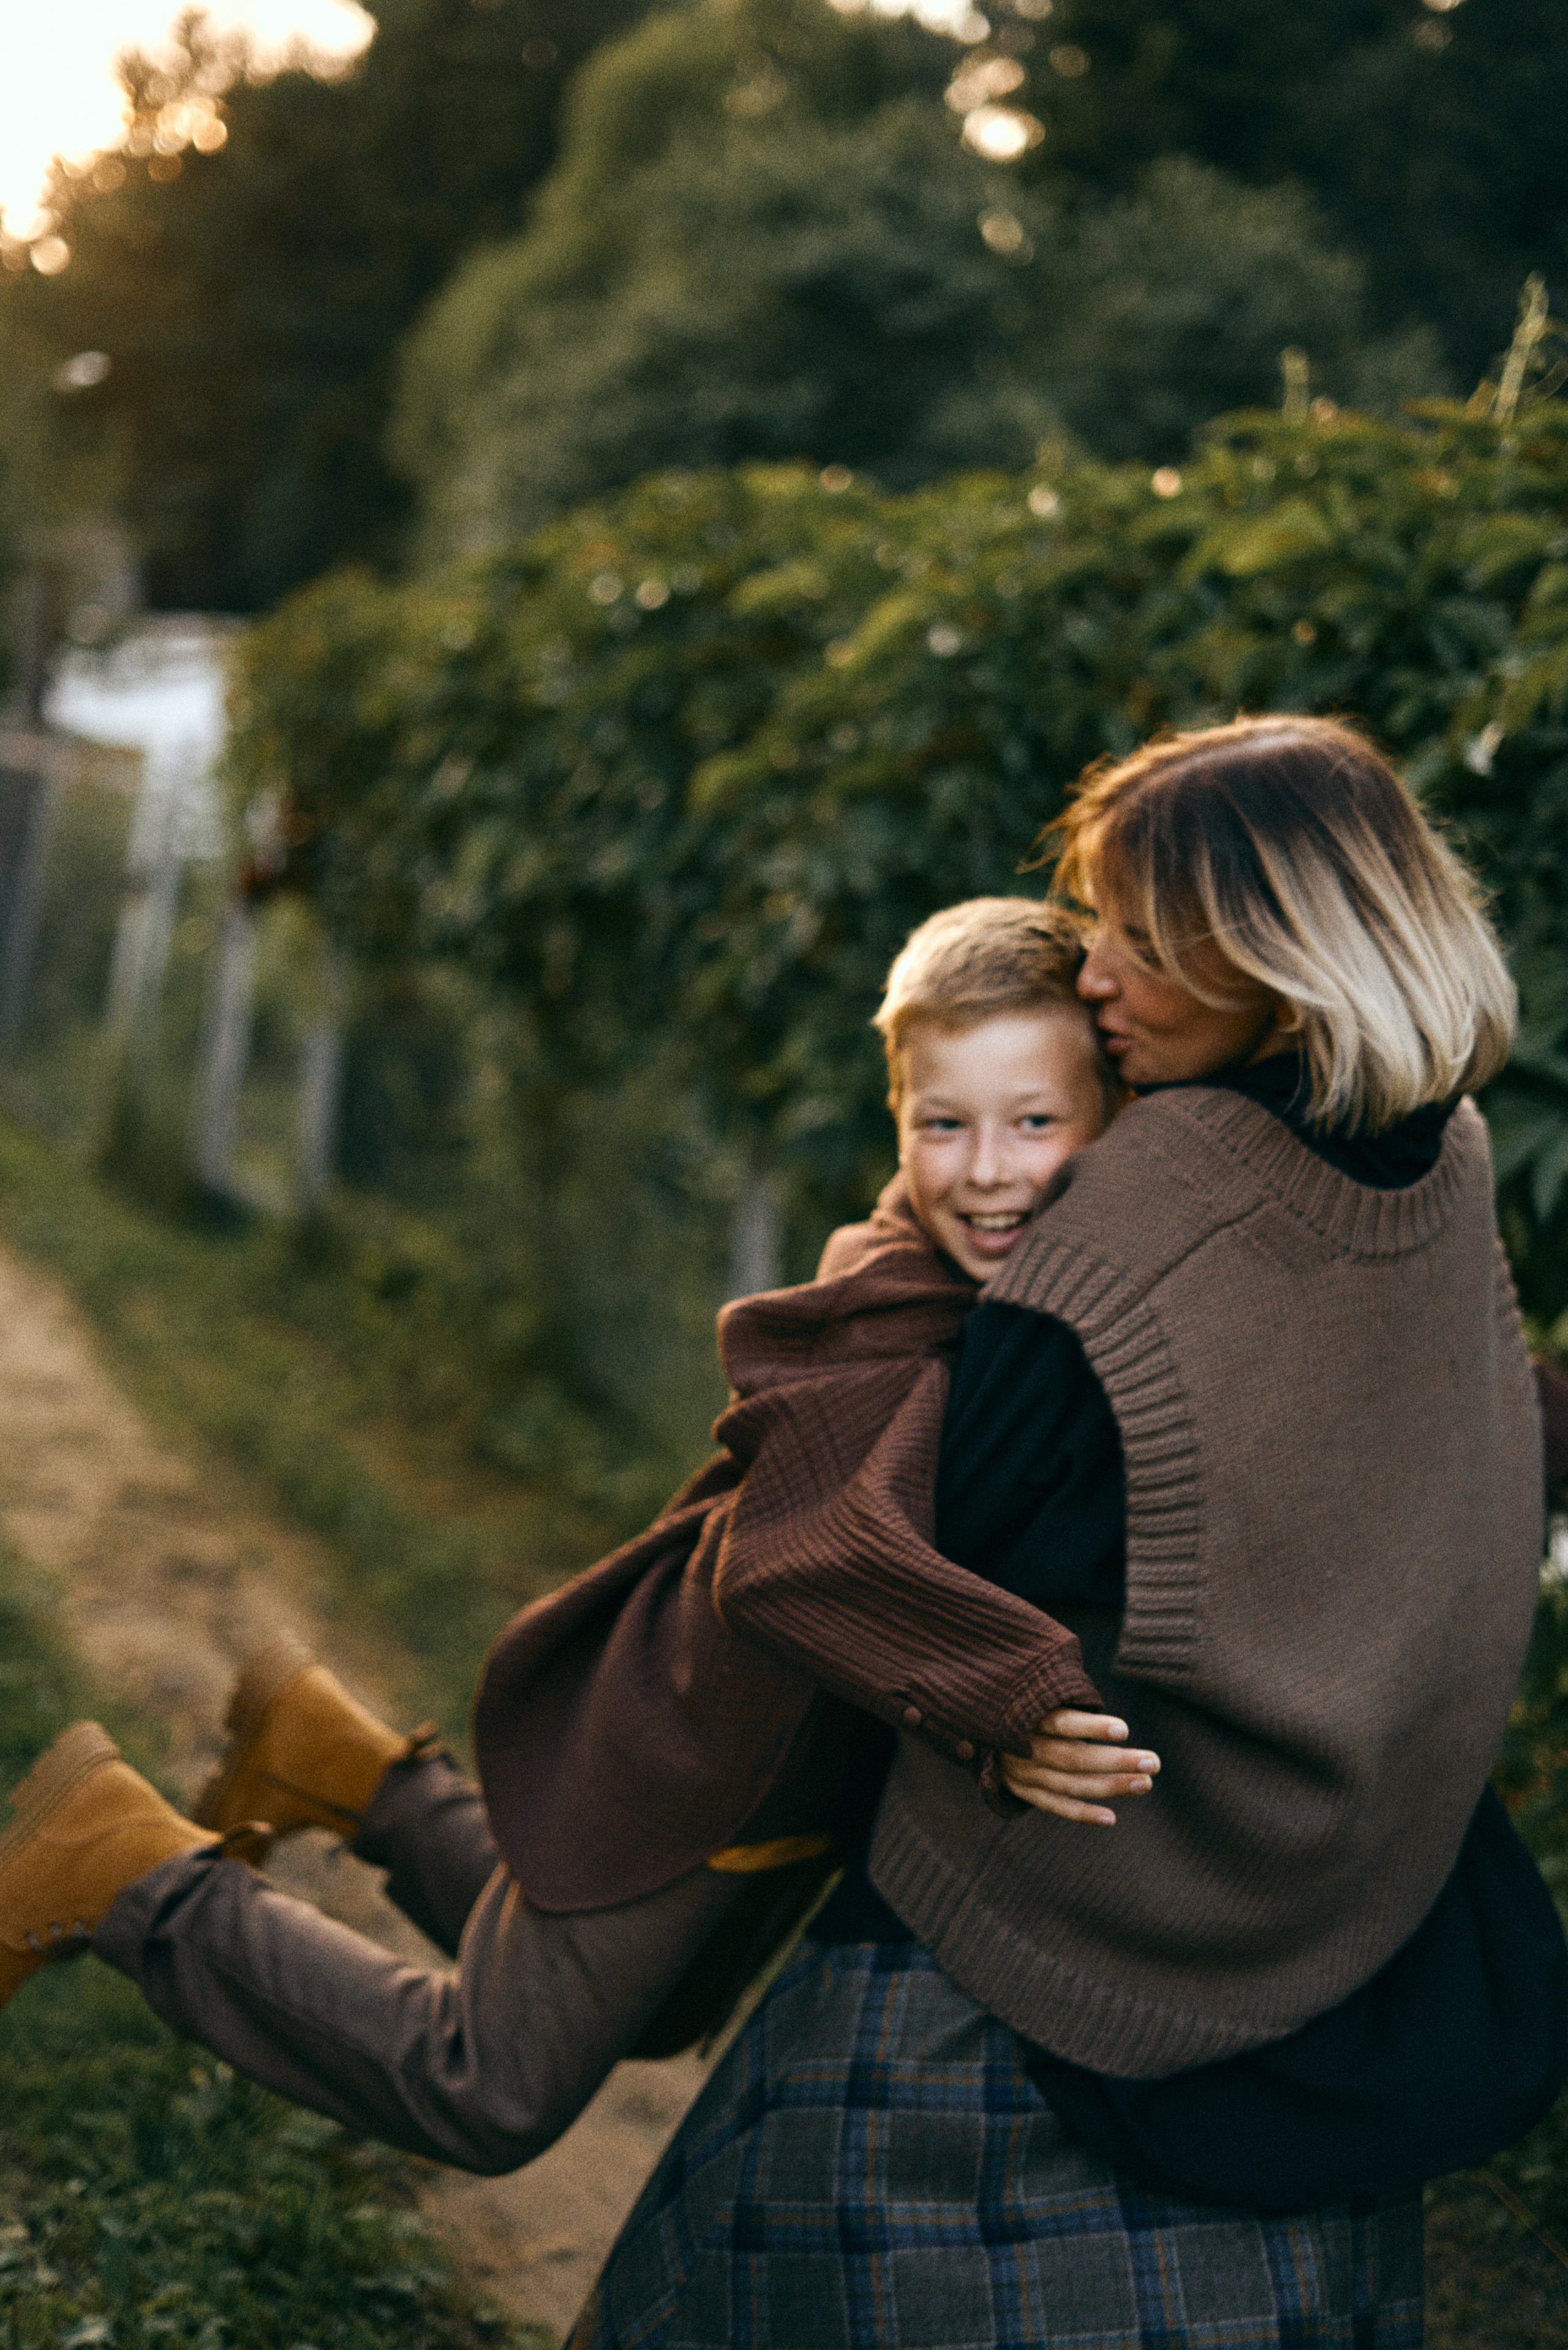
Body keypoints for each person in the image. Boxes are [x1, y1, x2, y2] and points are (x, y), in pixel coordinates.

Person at [568, 714, 1568, 2350]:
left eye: (1143, 939)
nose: (1094, 975)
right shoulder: (1442, 1155)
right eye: (1096, 922)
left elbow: (974, 1516)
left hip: (1059, 1921)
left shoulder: (1153, 1202)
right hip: (1320, 1895)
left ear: (1283, 948)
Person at [0, 898, 1154, 2169]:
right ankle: (120, 1866)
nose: (986, 1168)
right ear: (896, 1117)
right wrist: (1015, 1701)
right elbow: (807, 1554)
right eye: (943, 1124)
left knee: (651, 2015)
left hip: (758, 1769)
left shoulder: (991, 1281)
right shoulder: (893, 1323)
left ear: (1114, 1119)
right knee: (485, 2083)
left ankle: (345, 1764)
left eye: (1032, 1121)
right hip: (693, 1751)